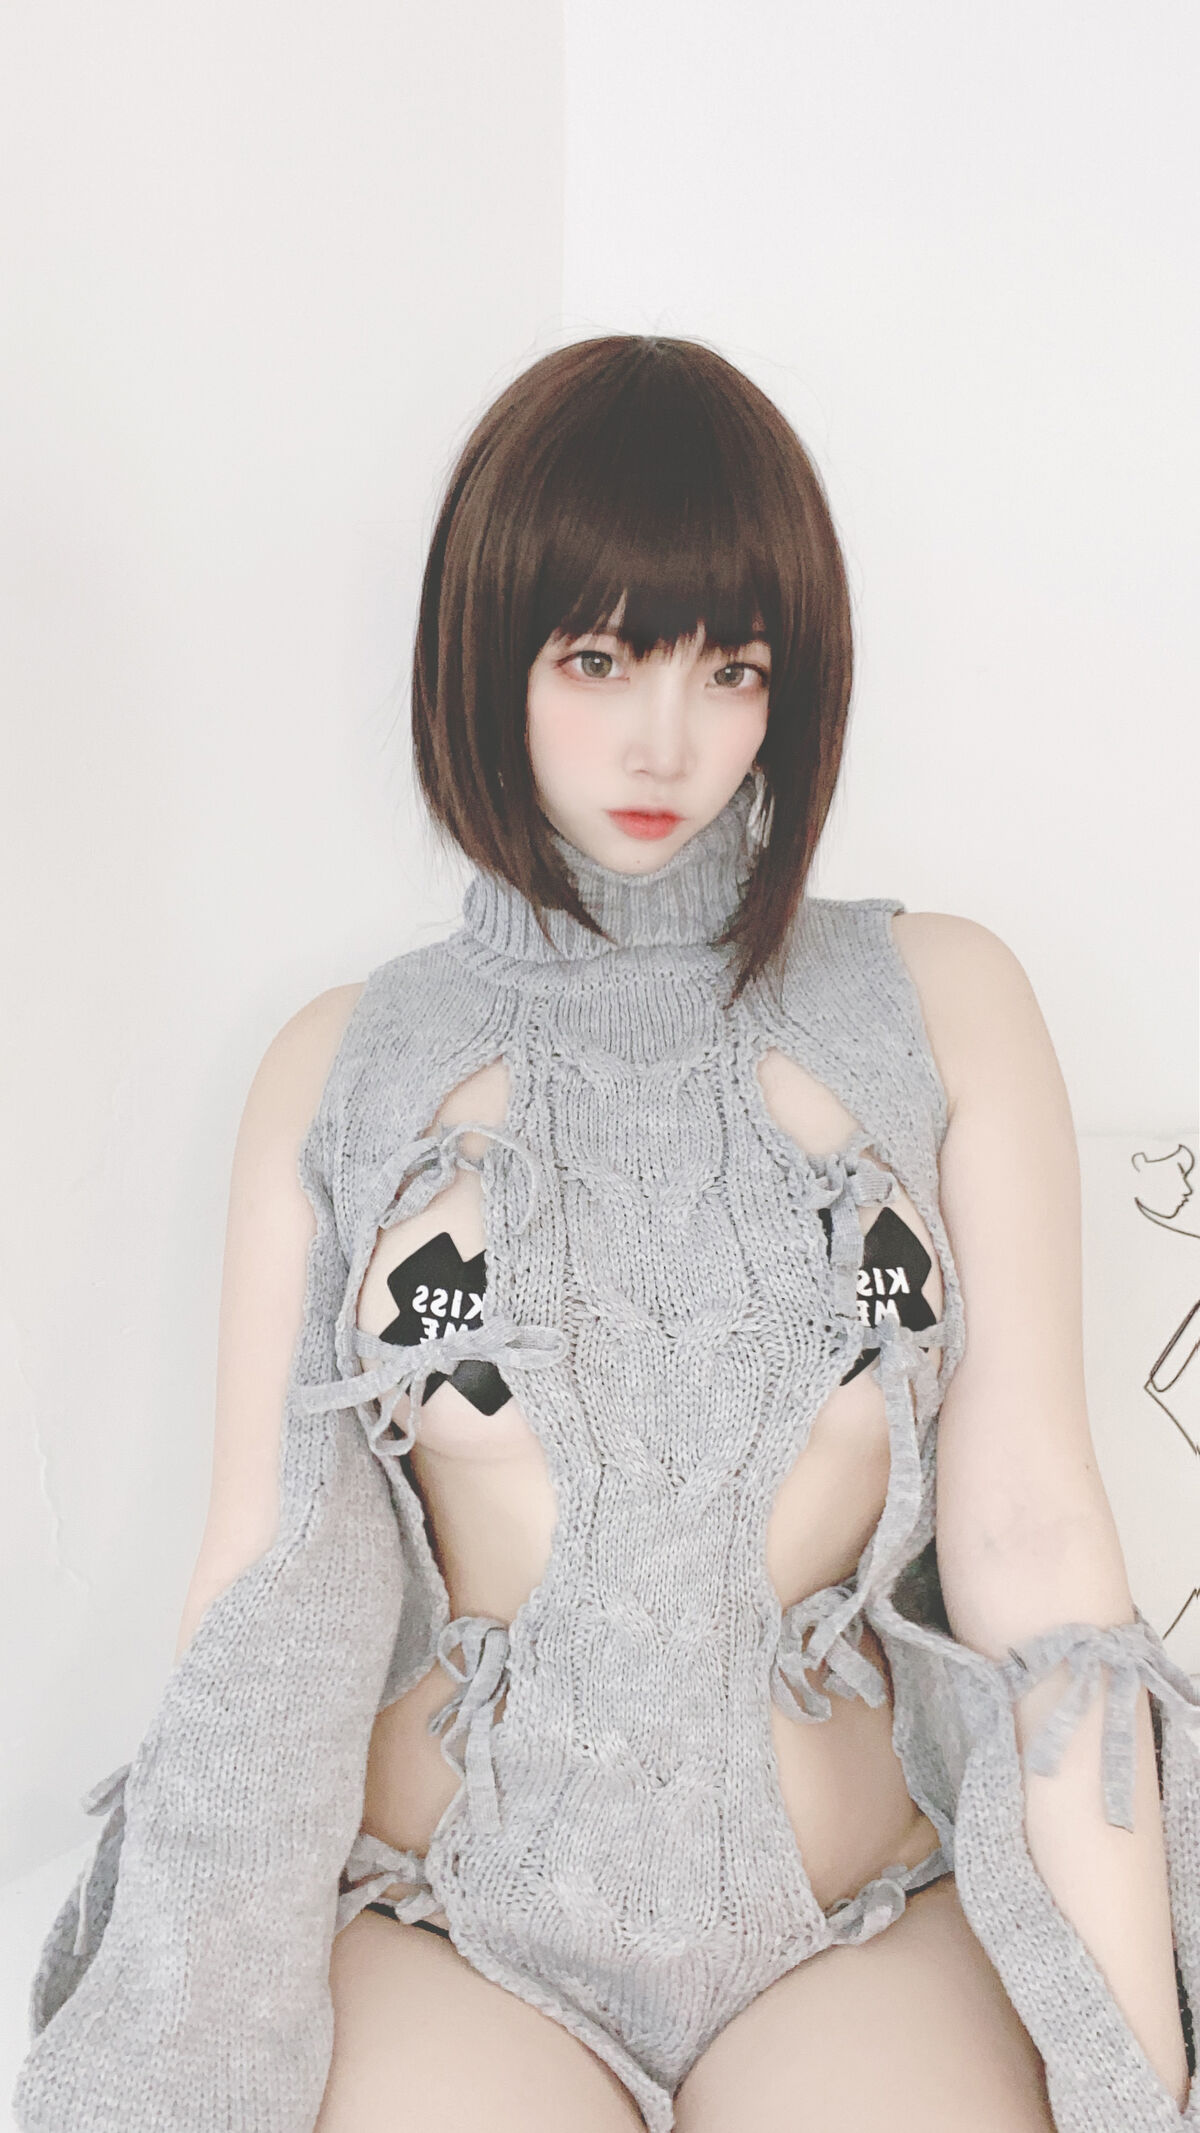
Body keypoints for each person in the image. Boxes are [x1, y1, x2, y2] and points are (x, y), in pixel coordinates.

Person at [13, 336, 1200, 2133]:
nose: (668, 740)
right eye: (598, 657)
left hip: (853, 1931)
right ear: (486, 653)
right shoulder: (345, 1066)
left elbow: (1039, 1549)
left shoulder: (942, 1004)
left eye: (732, 667)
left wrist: (1145, 2080)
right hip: (452, 1937)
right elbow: (261, 1604)